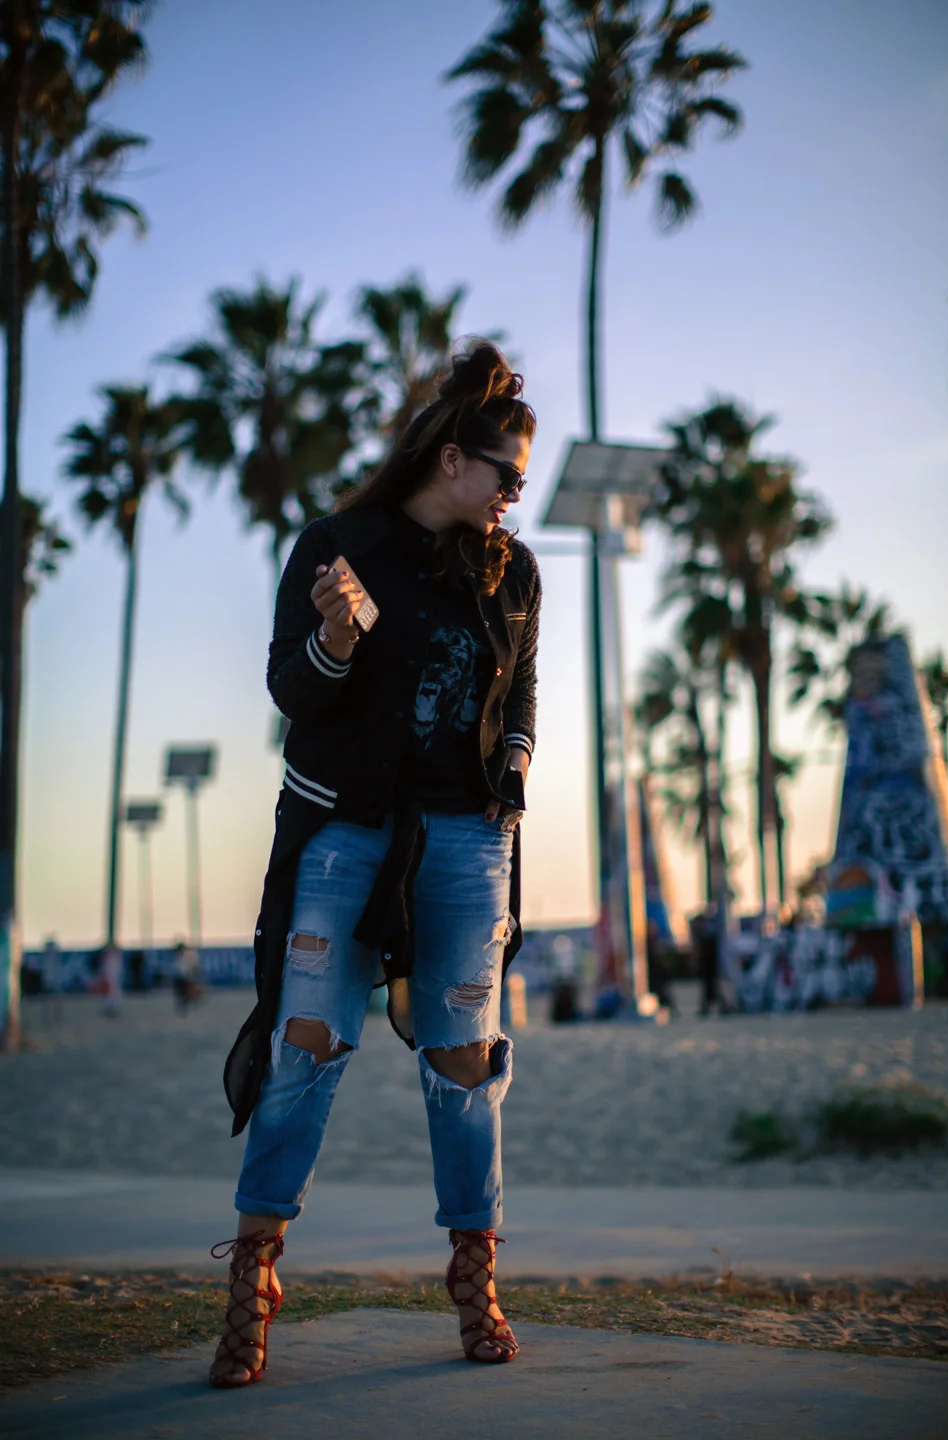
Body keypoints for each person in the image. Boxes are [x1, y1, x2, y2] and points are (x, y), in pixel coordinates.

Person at [209, 342, 540, 1387]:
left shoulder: (514, 571)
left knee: (465, 1061)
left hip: (467, 841)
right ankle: (253, 1281)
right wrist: (339, 639)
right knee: (306, 1045)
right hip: (346, 831)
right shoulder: (338, 546)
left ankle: (474, 1278)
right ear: (451, 460)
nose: (514, 495)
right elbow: (293, 693)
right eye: (505, 474)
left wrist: (514, 771)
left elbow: (521, 692)